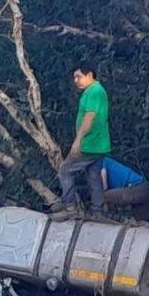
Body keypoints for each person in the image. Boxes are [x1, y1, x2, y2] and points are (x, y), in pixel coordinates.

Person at [54, 66, 111, 215]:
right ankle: (98, 211)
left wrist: (78, 140)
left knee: (64, 171)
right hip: (99, 145)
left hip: (89, 144)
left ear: (89, 75)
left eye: (78, 77)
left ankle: (69, 206)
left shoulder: (94, 92)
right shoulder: (96, 91)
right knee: (93, 176)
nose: (75, 81)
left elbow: (89, 116)